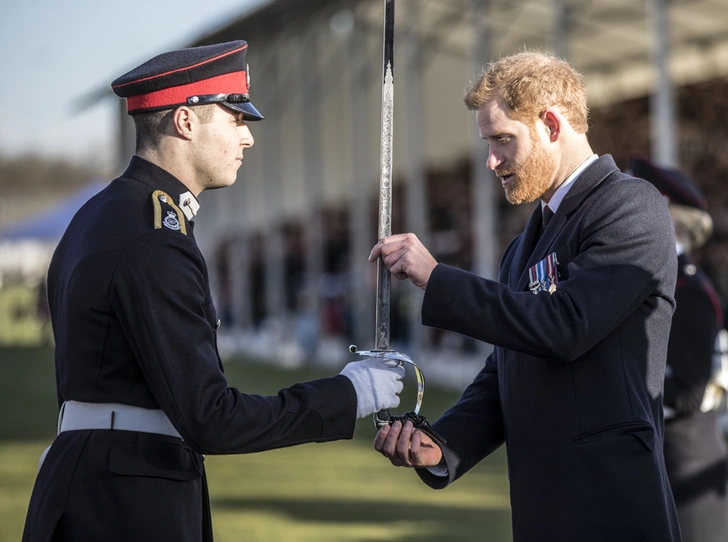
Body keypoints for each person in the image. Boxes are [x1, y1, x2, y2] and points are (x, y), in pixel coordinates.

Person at [22, 40, 404, 542]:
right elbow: (211, 418)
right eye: (235, 119)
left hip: (99, 485)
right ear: (185, 122)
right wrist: (349, 393)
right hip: (126, 502)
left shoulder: (102, 216)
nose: (247, 139)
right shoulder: (153, 236)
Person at [370, 51, 682, 540]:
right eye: (487, 143)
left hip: (613, 508)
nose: (492, 160)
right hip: (543, 510)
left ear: (552, 125)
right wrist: (442, 444)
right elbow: (505, 372)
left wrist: (437, 278)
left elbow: (565, 325)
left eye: (503, 140)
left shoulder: (632, 205)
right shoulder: (521, 248)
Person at [630, 155, 728, 542]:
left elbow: (688, 392)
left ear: (664, 214)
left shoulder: (689, 293)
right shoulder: (652, 282)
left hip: (685, 469)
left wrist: (616, 388)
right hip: (656, 464)